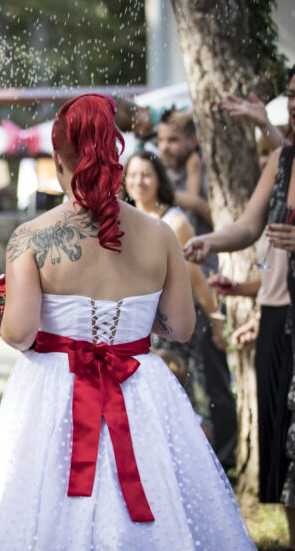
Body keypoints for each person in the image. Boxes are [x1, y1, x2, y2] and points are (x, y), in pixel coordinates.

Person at [0, 93, 253, 550]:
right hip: (139, 388)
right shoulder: (160, 234)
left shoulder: (31, 238)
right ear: (115, 156)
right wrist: (130, 323)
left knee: (45, 509)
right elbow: (180, 327)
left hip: (53, 392)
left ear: (58, 159)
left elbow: (20, 333)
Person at [185, 64, 295, 547]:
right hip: (277, 320)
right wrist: (209, 241)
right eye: (291, 95)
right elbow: (250, 228)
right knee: (285, 452)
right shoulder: (282, 160)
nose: (293, 104)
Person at [124, 150, 238, 470]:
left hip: (182, 317)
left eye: (146, 174)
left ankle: (212, 460)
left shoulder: (175, 221)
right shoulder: (124, 219)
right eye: (132, 174)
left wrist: (216, 320)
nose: (139, 181)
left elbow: (195, 278)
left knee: (198, 389)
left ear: (159, 178)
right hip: (143, 322)